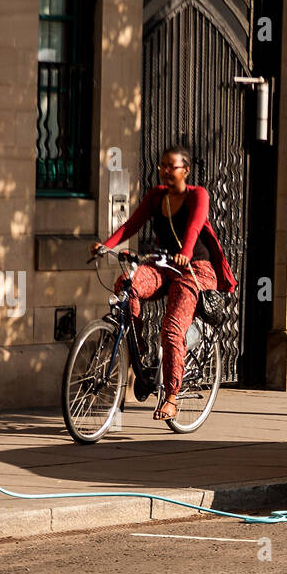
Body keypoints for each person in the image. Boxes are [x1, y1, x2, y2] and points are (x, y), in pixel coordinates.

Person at [92, 146, 236, 420]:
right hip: (164, 265)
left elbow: (194, 226)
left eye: (172, 166)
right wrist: (106, 245)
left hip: (195, 269)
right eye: (162, 166)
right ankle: (138, 345)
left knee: (171, 329)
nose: (165, 171)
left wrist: (186, 253)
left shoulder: (198, 195)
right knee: (127, 282)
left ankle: (171, 396)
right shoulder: (157, 196)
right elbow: (131, 225)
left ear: (186, 171)